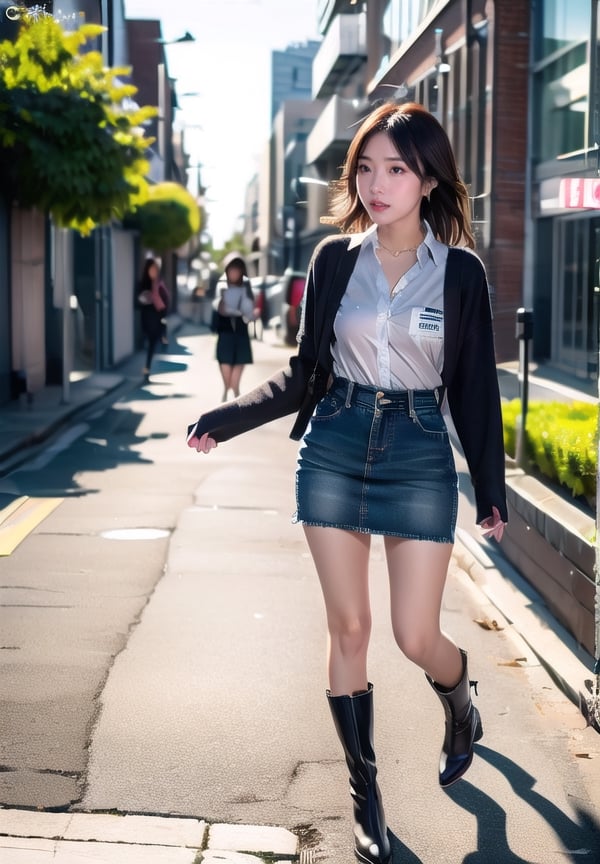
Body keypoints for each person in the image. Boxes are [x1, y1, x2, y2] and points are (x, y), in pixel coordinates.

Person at [186, 102, 507, 864]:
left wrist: (489, 487)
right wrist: (225, 417)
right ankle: (366, 794)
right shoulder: (334, 261)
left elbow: (473, 389)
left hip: (420, 445)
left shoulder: (460, 273)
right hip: (332, 442)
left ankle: (458, 699)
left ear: (428, 179)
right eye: (366, 166)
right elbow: (303, 376)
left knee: (415, 635)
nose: (375, 182)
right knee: (351, 631)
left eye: (395, 168)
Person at [212, 252, 259, 401]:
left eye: (237, 269)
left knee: (235, 383)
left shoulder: (246, 285)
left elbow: (249, 311)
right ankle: (226, 400)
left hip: (241, 334)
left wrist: (252, 314)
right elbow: (220, 308)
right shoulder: (221, 285)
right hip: (225, 334)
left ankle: (234, 402)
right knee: (227, 382)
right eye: (231, 269)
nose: (234, 272)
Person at [137, 257, 169, 378]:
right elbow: (139, 301)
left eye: (156, 269)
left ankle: (147, 367)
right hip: (146, 318)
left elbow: (166, 301)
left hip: (158, 318)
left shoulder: (160, 285)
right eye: (152, 269)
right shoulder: (144, 284)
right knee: (147, 343)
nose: (154, 272)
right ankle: (146, 367)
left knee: (152, 344)